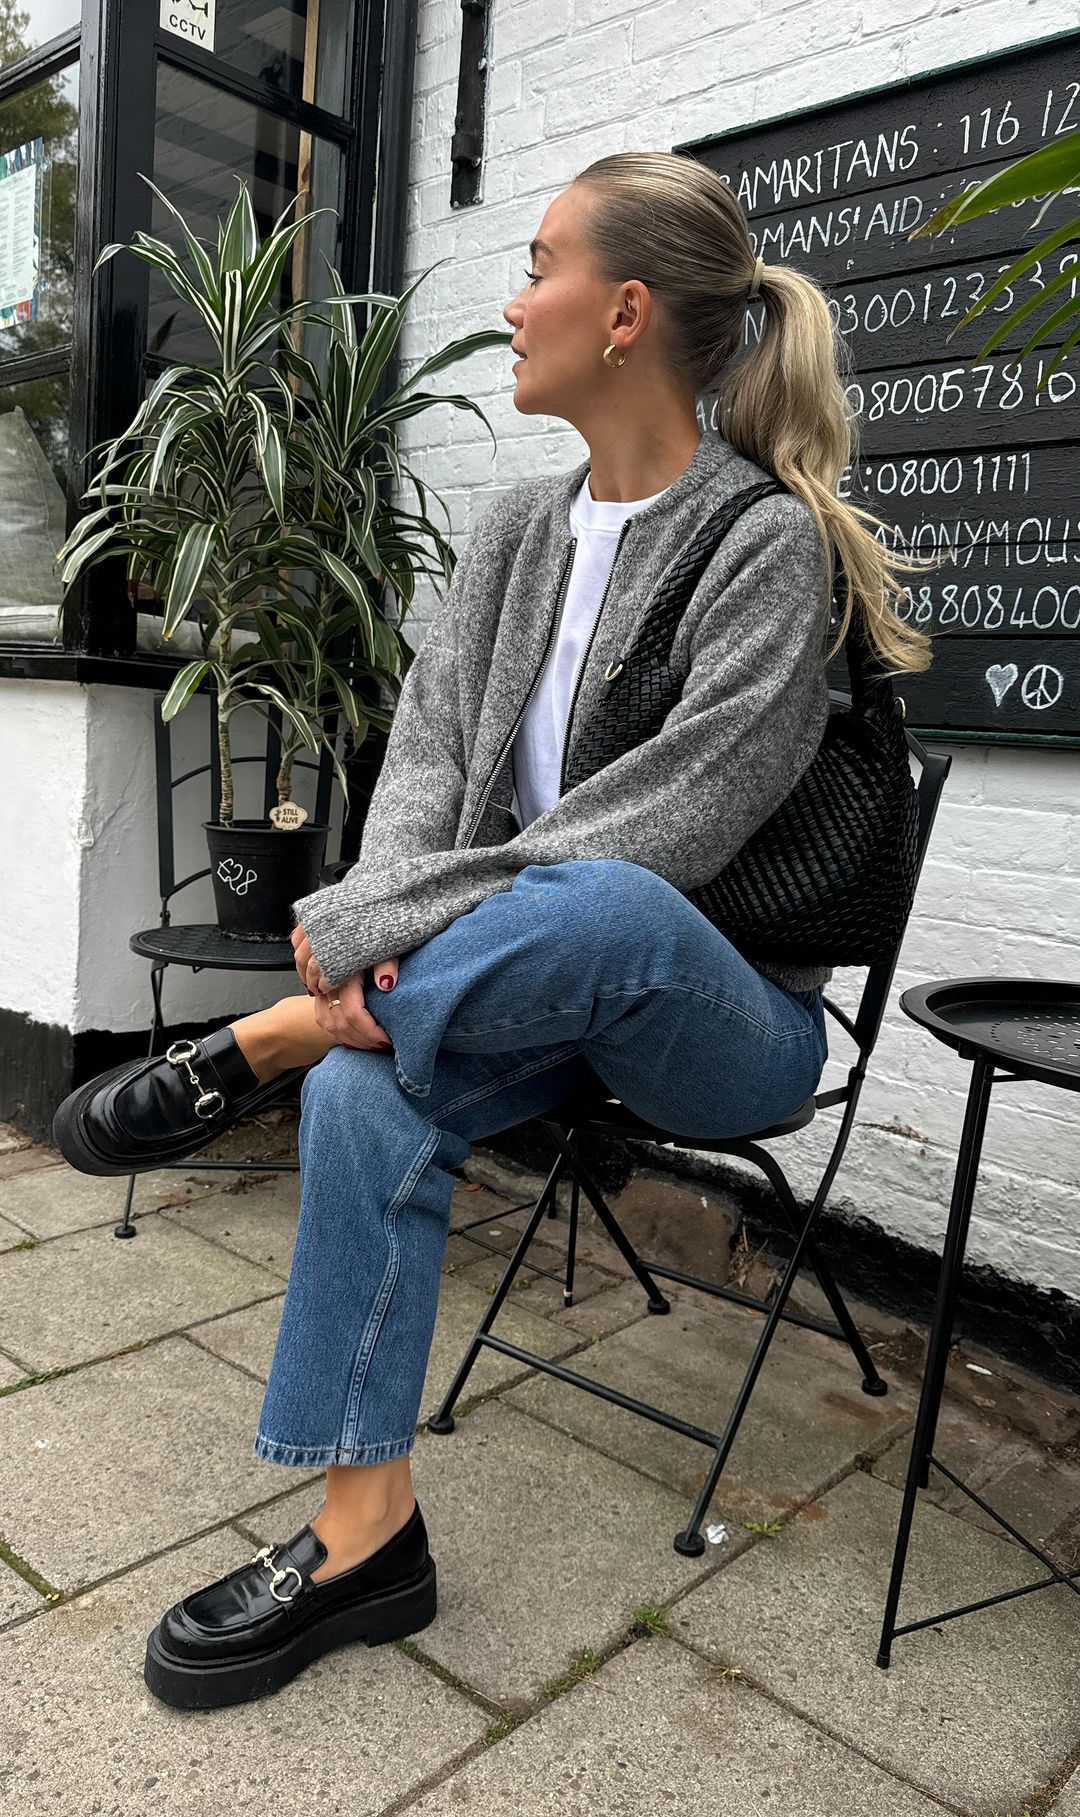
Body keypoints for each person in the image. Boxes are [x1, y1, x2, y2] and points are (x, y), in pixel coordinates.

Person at [52, 152, 932, 1712]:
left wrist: (344, 960)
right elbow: (423, 772)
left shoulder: (763, 545)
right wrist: (377, 932)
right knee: (360, 1092)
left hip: (715, 1021)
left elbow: (666, 826)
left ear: (626, 313)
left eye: (539, 267)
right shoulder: (517, 531)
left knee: (605, 901)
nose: (515, 302)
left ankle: (272, 1035)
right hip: (506, 1001)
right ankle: (364, 1535)